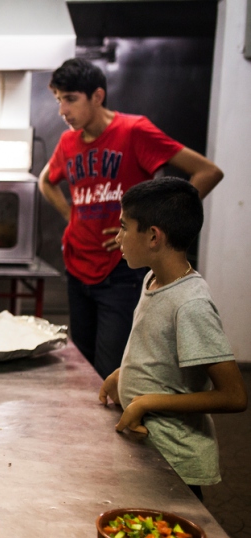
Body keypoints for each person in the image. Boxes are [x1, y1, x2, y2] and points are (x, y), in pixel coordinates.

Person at [38, 58, 223, 379]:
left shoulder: (133, 130)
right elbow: (45, 182)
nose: (62, 111)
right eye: (58, 100)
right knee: (80, 368)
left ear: (97, 96)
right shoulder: (68, 142)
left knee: (110, 369)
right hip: (78, 265)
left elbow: (207, 172)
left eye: (70, 99)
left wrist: (160, 222)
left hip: (120, 271)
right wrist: (73, 217)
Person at [98, 177, 246, 501]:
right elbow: (163, 355)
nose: (119, 237)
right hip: (150, 449)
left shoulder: (190, 304)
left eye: (124, 227)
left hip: (175, 462)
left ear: (153, 236)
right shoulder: (154, 279)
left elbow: (234, 395)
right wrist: (126, 376)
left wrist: (148, 401)